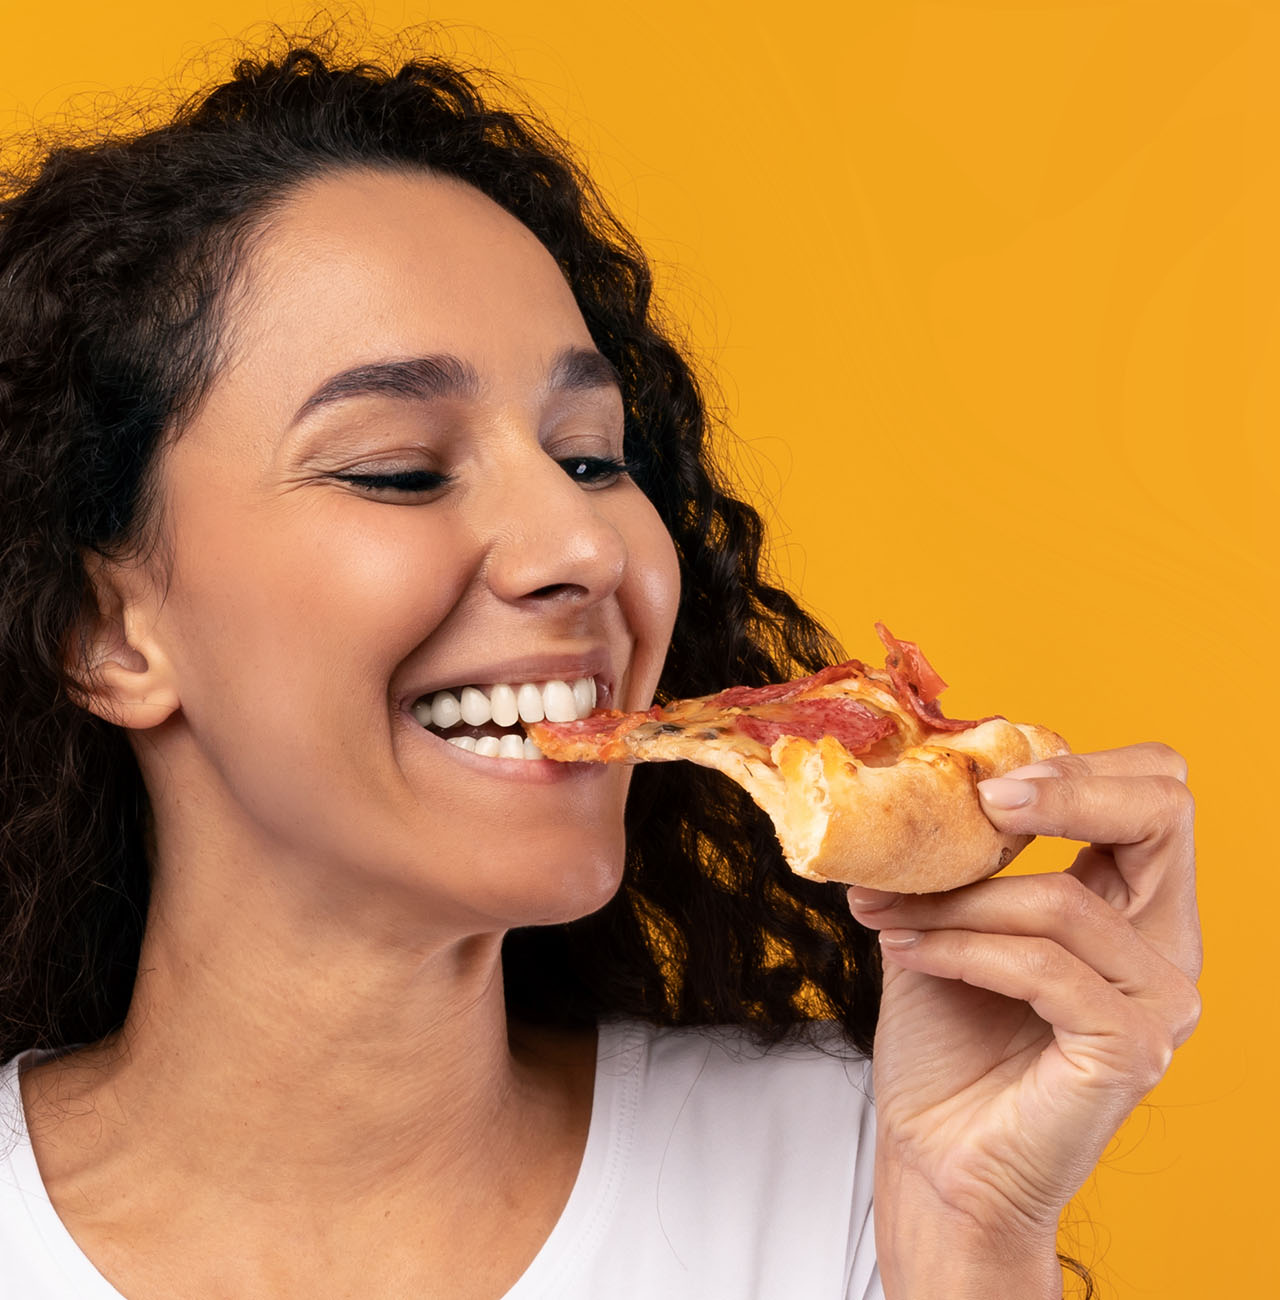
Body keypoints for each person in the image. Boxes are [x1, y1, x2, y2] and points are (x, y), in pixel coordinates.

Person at [0, 37, 1201, 1300]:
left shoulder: (849, 1170)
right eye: (400, 469)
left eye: (589, 456)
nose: (582, 546)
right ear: (106, 633)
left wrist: (969, 1237)